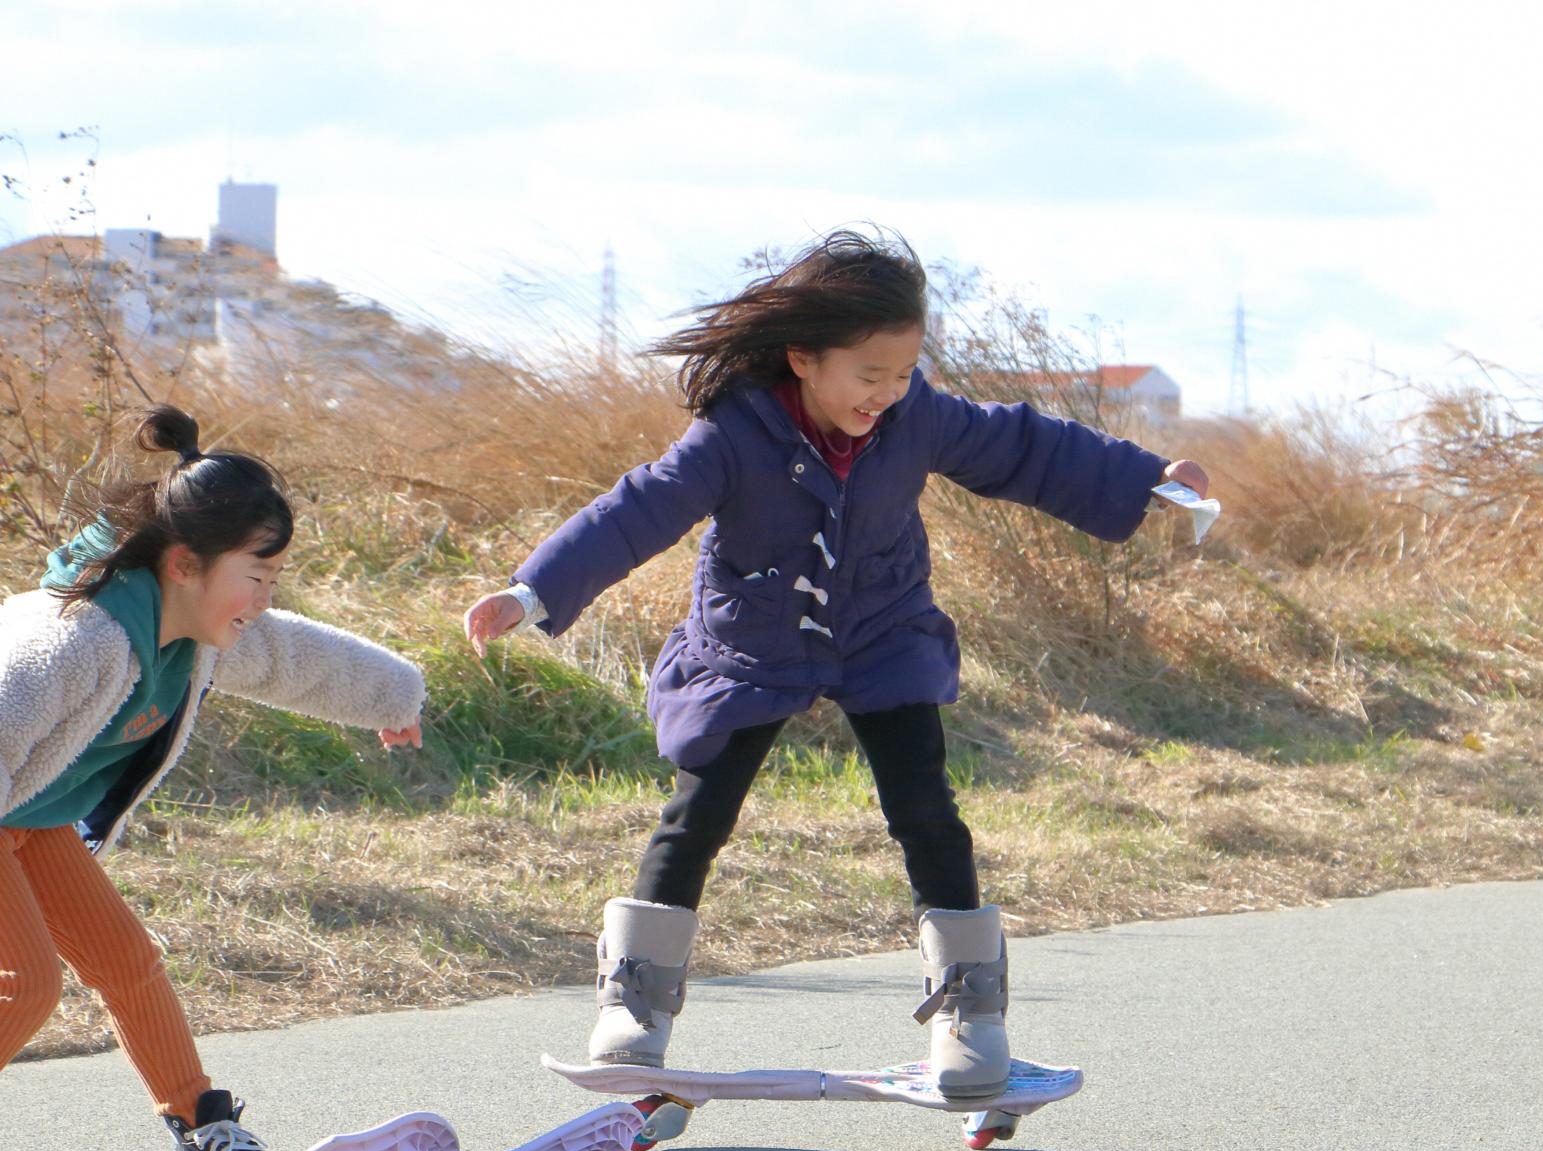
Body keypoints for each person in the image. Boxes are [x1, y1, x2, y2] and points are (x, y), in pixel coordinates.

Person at [463, 230, 1209, 1103]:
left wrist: (1147, 478)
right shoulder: (734, 434)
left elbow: (1026, 448)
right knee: (698, 812)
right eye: (869, 376)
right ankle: (636, 1007)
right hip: (754, 637)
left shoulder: (917, 414)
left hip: (884, 626)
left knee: (926, 809)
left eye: (901, 375)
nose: (887, 395)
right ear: (803, 359)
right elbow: (640, 509)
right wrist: (533, 590)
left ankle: (972, 1011)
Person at [0, 404, 425, 1151]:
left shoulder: (197, 627)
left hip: (25, 804)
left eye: (272, 579)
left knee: (126, 958)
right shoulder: (75, 636)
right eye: (255, 576)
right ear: (186, 564)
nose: (263, 598)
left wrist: (394, 698)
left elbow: (301, 658)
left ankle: (200, 1125)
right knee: (21, 983)